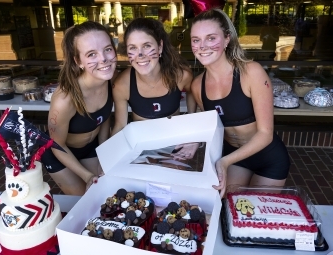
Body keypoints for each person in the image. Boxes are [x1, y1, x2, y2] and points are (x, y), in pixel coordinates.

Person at [190, 9, 290, 198]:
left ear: (227, 39)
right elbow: (214, 129)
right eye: (196, 40)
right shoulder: (197, 85)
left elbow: (266, 134)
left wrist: (224, 162)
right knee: (227, 208)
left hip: (268, 157)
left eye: (211, 38)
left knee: (255, 214)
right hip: (233, 157)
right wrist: (196, 142)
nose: (202, 46)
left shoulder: (251, 72)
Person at [41, 21, 117, 195]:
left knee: (103, 193)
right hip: (59, 152)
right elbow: (56, 144)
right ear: (78, 61)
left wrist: (103, 155)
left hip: (90, 147)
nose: (103, 59)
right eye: (91, 54)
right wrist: (87, 175)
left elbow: (104, 120)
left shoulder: (110, 78)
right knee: (84, 199)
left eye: (107, 49)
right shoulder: (64, 99)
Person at [112, 17, 199, 159]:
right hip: (141, 149)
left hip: (176, 148)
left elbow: (193, 92)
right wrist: (110, 158)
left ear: (160, 47)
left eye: (146, 46)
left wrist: (193, 130)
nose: (140, 55)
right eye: (133, 48)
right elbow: (120, 125)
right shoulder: (122, 84)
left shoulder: (181, 76)